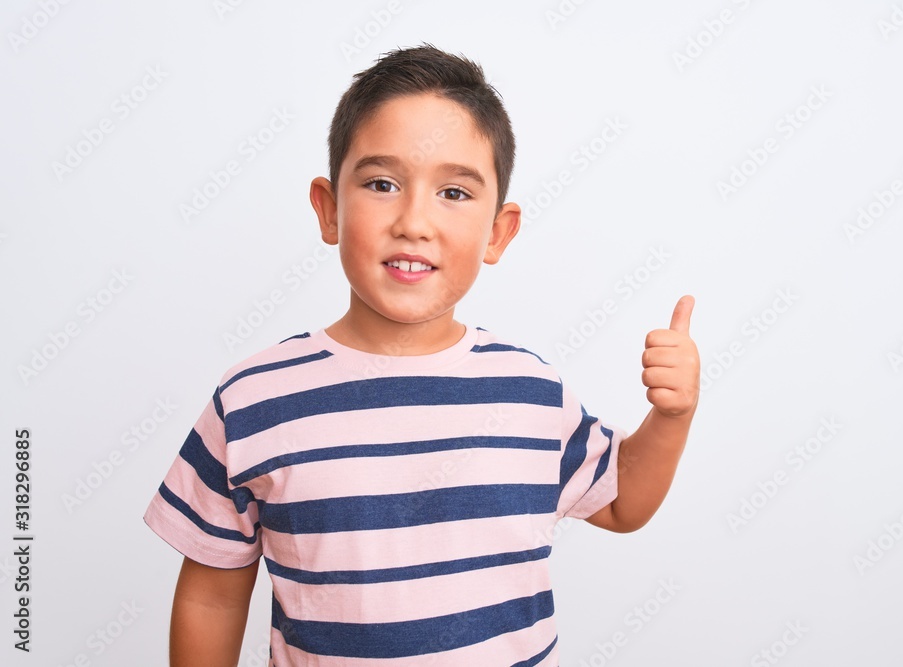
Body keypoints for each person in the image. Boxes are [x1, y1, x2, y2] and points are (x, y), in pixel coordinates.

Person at [143, 43, 700, 667]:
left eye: (454, 193)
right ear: (329, 210)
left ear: (498, 231)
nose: (414, 221)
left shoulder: (529, 391)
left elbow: (623, 504)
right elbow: (213, 595)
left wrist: (671, 418)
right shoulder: (254, 400)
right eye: (382, 184)